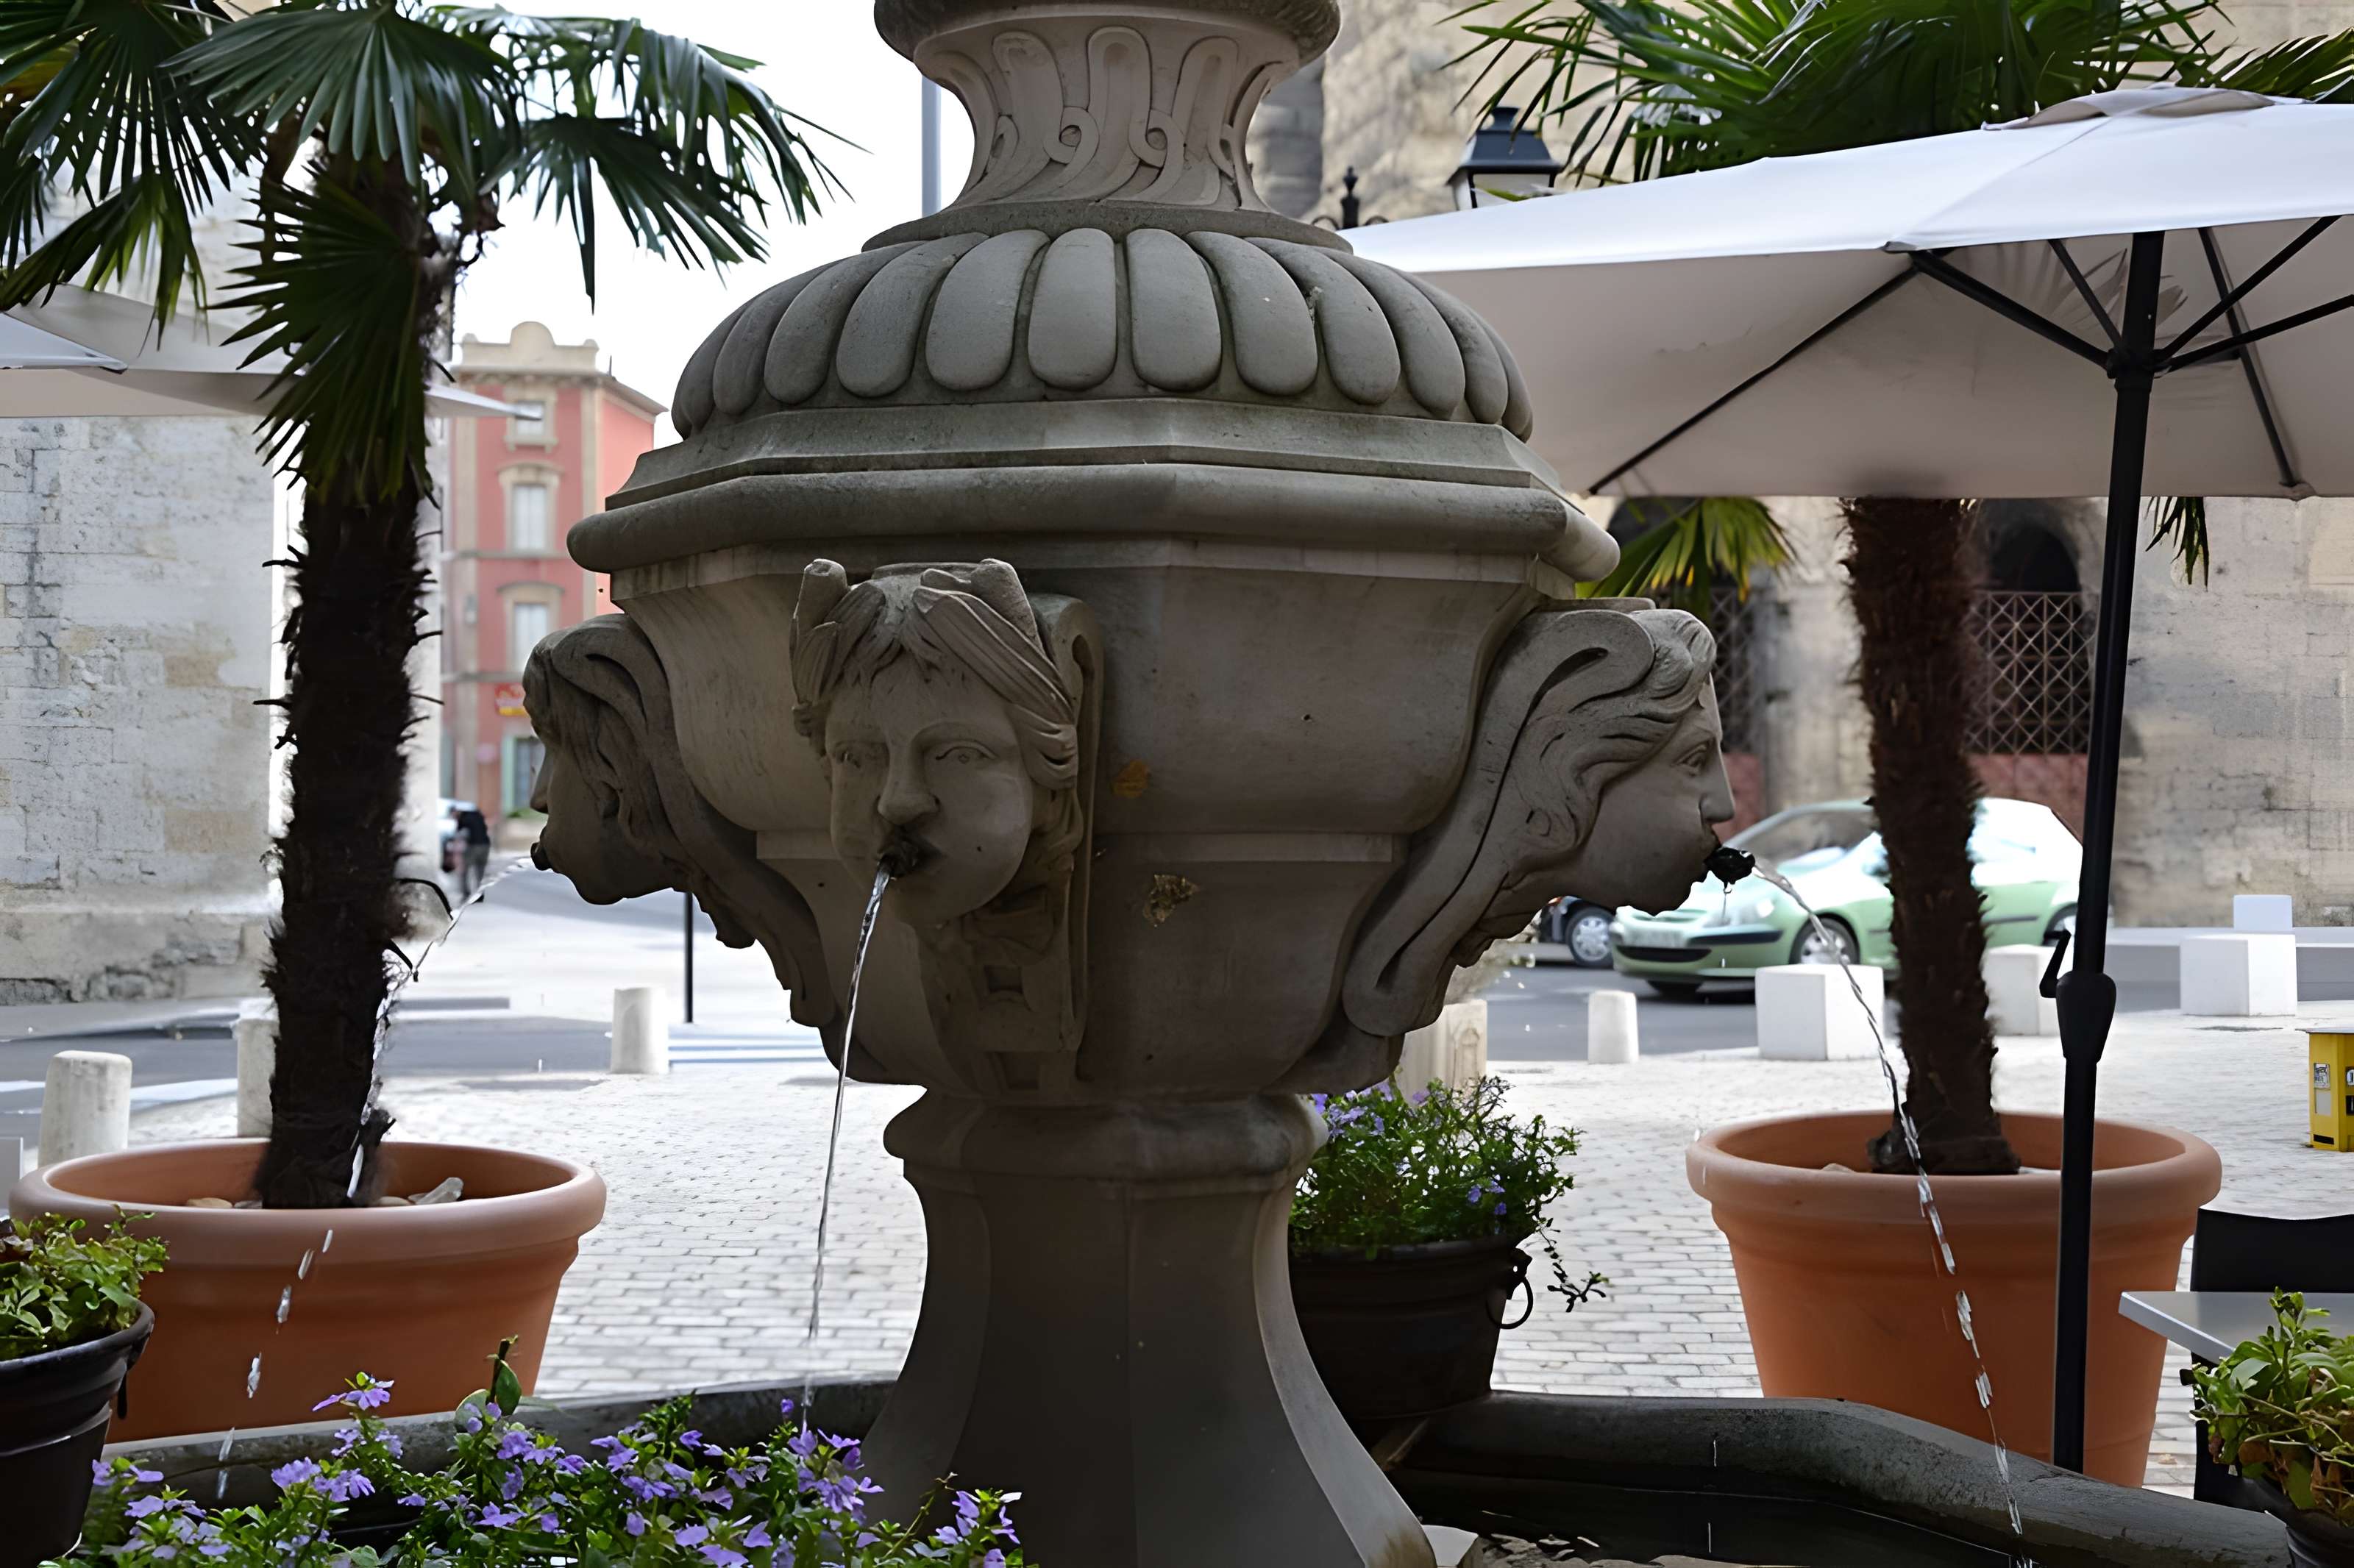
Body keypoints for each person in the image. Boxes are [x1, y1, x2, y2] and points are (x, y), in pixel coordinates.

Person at [455, 802, 492, 897]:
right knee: (480, 871)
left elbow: (460, 833)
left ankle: (466, 892)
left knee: (465, 871)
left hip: (472, 846)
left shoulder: (463, 818)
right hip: (485, 846)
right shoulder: (479, 816)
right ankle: (480, 894)